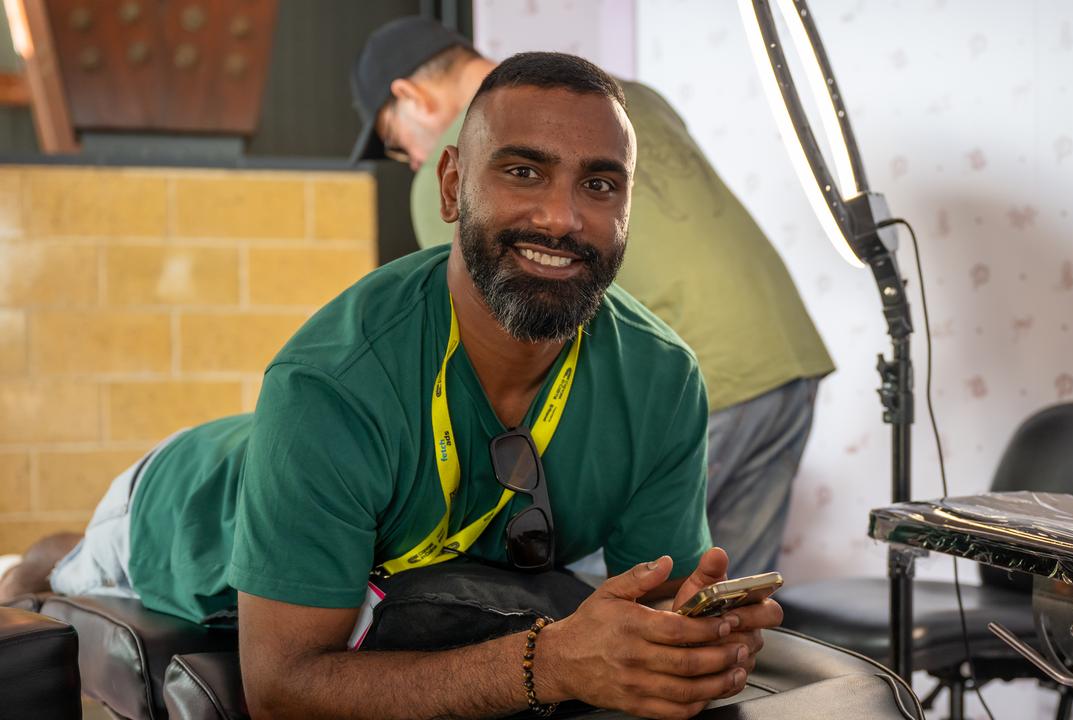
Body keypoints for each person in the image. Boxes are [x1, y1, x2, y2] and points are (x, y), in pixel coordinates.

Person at [1, 53, 782, 720]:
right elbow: (280, 688)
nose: (563, 217)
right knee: (63, 566)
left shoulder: (661, 380)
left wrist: (698, 640)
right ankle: (28, 565)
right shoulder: (329, 386)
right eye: (522, 171)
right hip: (182, 504)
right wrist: (547, 664)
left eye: (601, 185)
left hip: (364, 512)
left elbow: (655, 610)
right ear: (451, 188)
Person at [350, 17, 835, 576]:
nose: (412, 160)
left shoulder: (462, 160)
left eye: (394, 141)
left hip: (699, 371)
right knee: (720, 598)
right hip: (785, 349)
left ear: (410, 96)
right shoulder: (627, 102)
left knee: (598, 606)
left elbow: (494, 339)